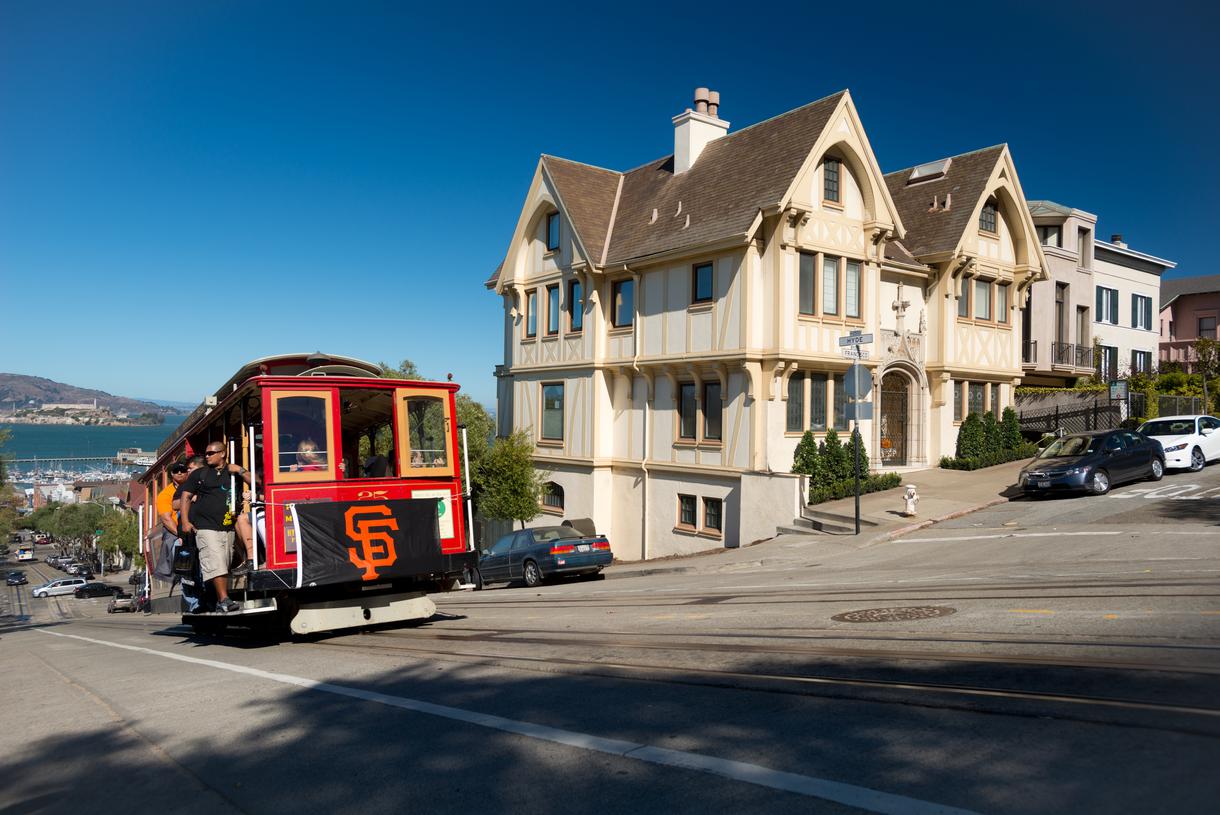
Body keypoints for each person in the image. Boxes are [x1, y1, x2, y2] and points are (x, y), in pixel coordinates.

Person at [180, 443, 252, 614]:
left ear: (223, 454)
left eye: (211, 453)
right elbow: (186, 496)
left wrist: (240, 470)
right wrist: (185, 521)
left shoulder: (232, 472)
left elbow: (256, 482)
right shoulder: (200, 474)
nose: (207, 456)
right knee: (216, 560)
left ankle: (219, 599)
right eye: (205, 453)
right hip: (204, 526)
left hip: (227, 527)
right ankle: (224, 600)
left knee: (223, 564)